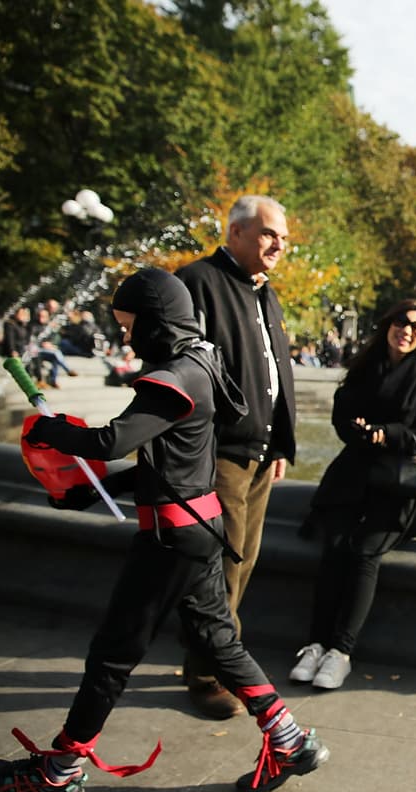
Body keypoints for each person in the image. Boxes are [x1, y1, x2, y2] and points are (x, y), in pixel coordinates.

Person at [0, 269, 327, 792]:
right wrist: (92, 491)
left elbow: (113, 441)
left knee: (112, 655)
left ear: (156, 321)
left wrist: (46, 427)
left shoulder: (177, 374)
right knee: (220, 643)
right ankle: (291, 739)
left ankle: (60, 772)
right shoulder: (201, 361)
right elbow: (170, 463)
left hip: (171, 540)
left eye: (131, 327)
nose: (127, 339)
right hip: (195, 528)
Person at [176, 195, 297, 719]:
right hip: (220, 451)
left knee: (241, 563)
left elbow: (274, 369)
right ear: (237, 232)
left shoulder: (263, 291)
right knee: (221, 567)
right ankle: (208, 674)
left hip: (260, 452)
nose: (279, 246)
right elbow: (185, 365)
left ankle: (216, 660)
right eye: (270, 234)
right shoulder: (198, 281)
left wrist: (281, 442)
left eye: (284, 239)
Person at [291, 299, 416, 690]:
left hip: (399, 487)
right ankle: (315, 645)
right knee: (335, 549)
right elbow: (340, 417)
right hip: (354, 476)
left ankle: (340, 652)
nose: (407, 330)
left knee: (365, 554)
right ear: (387, 325)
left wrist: (387, 433)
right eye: (401, 321)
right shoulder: (364, 367)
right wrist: (359, 430)